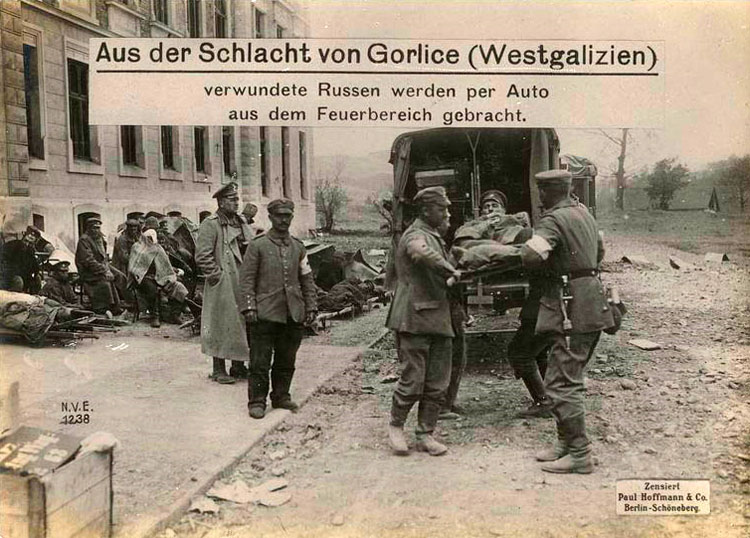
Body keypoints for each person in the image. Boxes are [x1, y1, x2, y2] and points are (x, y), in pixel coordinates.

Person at [520, 170, 614, 474]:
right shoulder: (584, 213)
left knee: (561, 381)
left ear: (547, 192)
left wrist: (522, 249)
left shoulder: (552, 219)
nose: (540, 198)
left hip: (570, 306)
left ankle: (580, 453)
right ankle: (564, 443)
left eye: (541, 192)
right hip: (591, 301)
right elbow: (600, 251)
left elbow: (532, 257)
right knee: (565, 375)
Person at [386, 186, 460, 456]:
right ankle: (396, 426)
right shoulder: (416, 235)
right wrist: (451, 270)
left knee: (438, 382)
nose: (447, 213)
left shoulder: (433, 234)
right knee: (413, 379)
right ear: (426, 210)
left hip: (438, 317)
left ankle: (425, 433)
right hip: (414, 317)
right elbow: (421, 254)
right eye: (443, 209)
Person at [239, 198, 317, 419]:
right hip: (264, 313)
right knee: (260, 361)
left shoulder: (298, 247)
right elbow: (246, 280)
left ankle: (281, 396)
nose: (284, 220)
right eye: (279, 216)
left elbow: (307, 280)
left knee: (286, 358)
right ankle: (257, 401)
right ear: (271, 217)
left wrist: (311, 307)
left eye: (287, 216)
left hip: (292, 313)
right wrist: (249, 307)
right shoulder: (257, 245)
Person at [195, 182, 252, 384]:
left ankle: (238, 365)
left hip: (241, 279)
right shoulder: (210, 224)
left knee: (240, 322)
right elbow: (202, 256)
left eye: (237, 199)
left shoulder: (240, 222)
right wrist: (217, 276)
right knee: (220, 322)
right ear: (221, 202)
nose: (237, 203)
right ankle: (218, 369)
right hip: (223, 282)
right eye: (232, 199)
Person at [128, 227, 191, 328]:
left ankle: (175, 314)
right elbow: (133, 267)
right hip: (142, 278)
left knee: (178, 286)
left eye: (151, 238)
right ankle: (155, 316)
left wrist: (170, 274)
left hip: (158, 276)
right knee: (152, 289)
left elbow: (165, 265)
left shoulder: (158, 248)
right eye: (147, 237)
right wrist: (140, 274)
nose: (149, 240)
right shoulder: (137, 247)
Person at [75, 217, 122, 316]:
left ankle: (118, 304)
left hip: (100, 267)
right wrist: (104, 271)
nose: (96, 230)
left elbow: (104, 257)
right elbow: (88, 261)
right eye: (94, 228)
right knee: (104, 281)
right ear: (88, 228)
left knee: (120, 275)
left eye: (98, 228)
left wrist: (107, 269)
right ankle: (102, 307)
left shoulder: (100, 239)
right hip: (88, 271)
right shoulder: (84, 240)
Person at [0, 226, 42, 293]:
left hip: (23, 276)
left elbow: (35, 267)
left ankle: (33, 299)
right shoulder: (12, 246)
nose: (27, 244)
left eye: (30, 243)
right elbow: (3, 262)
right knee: (18, 281)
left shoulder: (30, 251)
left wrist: (36, 273)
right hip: (8, 277)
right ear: (23, 237)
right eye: (26, 241)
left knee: (37, 278)